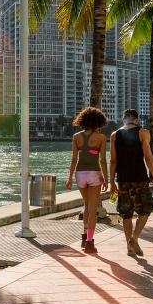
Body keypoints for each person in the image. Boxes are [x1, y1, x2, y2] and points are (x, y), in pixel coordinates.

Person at [110, 109, 153, 257]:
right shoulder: (143, 133)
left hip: (122, 180)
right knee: (146, 209)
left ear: (123, 119)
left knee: (126, 213)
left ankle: (129, 247)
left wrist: (111, 183)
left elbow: (113, 161)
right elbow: (148, 157)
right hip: (140, 178)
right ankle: (134, 238)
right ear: (137, 119)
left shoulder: (114, 135)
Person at [66, 106, 108, 253]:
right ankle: (90, 242)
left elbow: (74, 159)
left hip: (80, 174)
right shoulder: (101, 138)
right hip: (94, 174)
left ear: (82, 120)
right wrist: (106, 178)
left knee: (86, 206)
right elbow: (102, 161)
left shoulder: (76, 137)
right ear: (98, 122)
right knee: (93, 209)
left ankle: (84, 238)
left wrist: (70, 178)